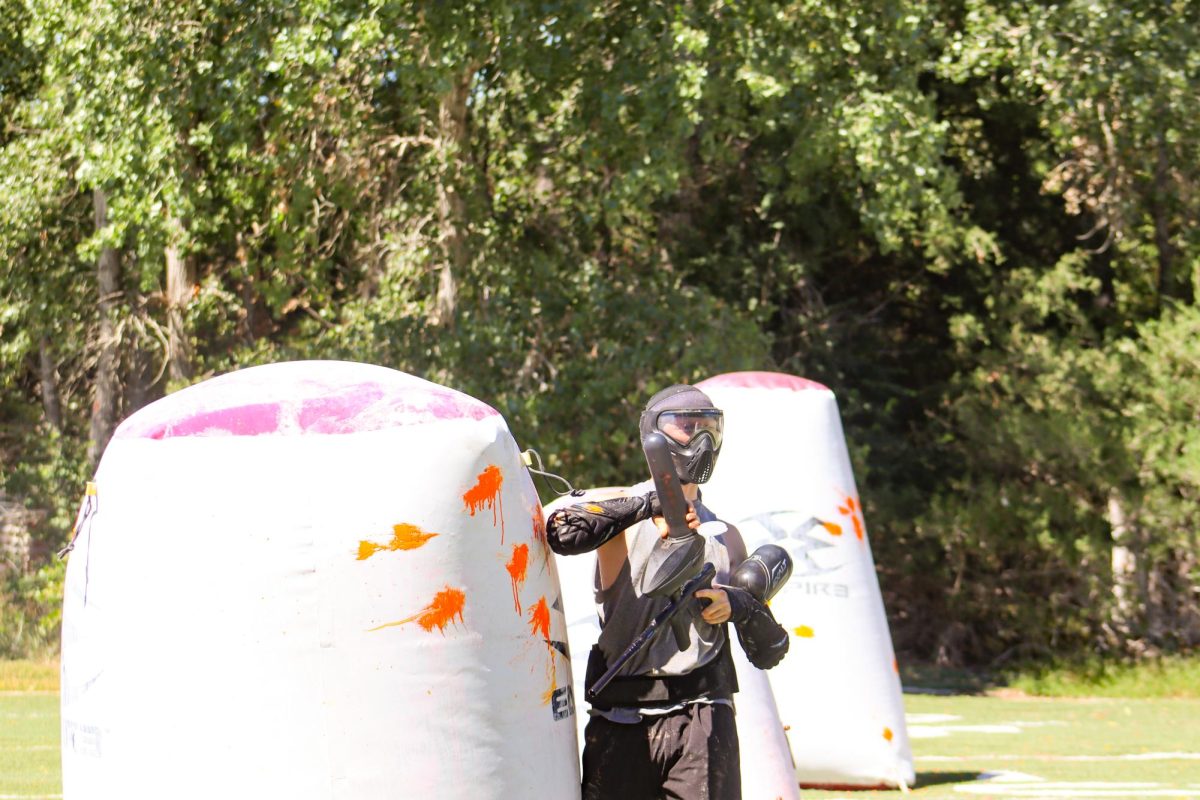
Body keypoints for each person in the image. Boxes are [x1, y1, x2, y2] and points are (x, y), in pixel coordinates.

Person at [547, 384, 789, 800]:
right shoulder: (620, 510)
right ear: (654, 434)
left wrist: (738, 605)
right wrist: (649, 506)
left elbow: (767, 652)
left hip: (703, 714)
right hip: (623, 716)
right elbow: (562, 531)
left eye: (709, 427)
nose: (700, 440)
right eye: (686, 426)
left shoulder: (725, 535)